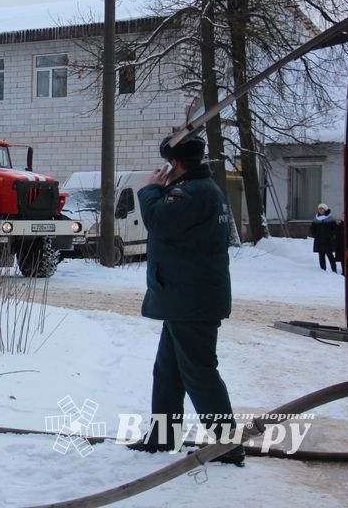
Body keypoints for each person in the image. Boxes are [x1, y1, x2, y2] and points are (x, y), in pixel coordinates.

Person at [128, 133, 245, 467]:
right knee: (168, 371)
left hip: (191, 299)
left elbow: (160, 222)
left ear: (174, 164)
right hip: (186, 296)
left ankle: (227, 444)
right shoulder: (200, 190)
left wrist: (151, 188)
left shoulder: (191, 193)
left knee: (199, 371)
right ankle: (163, 437)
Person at [309, 203, 338, 273]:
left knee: (330, 255)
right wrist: (315, 235)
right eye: (319, 209)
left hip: (328, 241)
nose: (320, 210)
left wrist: (331, 236)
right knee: (321, 255)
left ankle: (334, 269)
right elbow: (312, 228)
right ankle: (323, 269)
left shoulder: (330, 218)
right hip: (319, 240)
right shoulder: (316, 218)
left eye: (322, 209)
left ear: (325, 209)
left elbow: (334, 229)